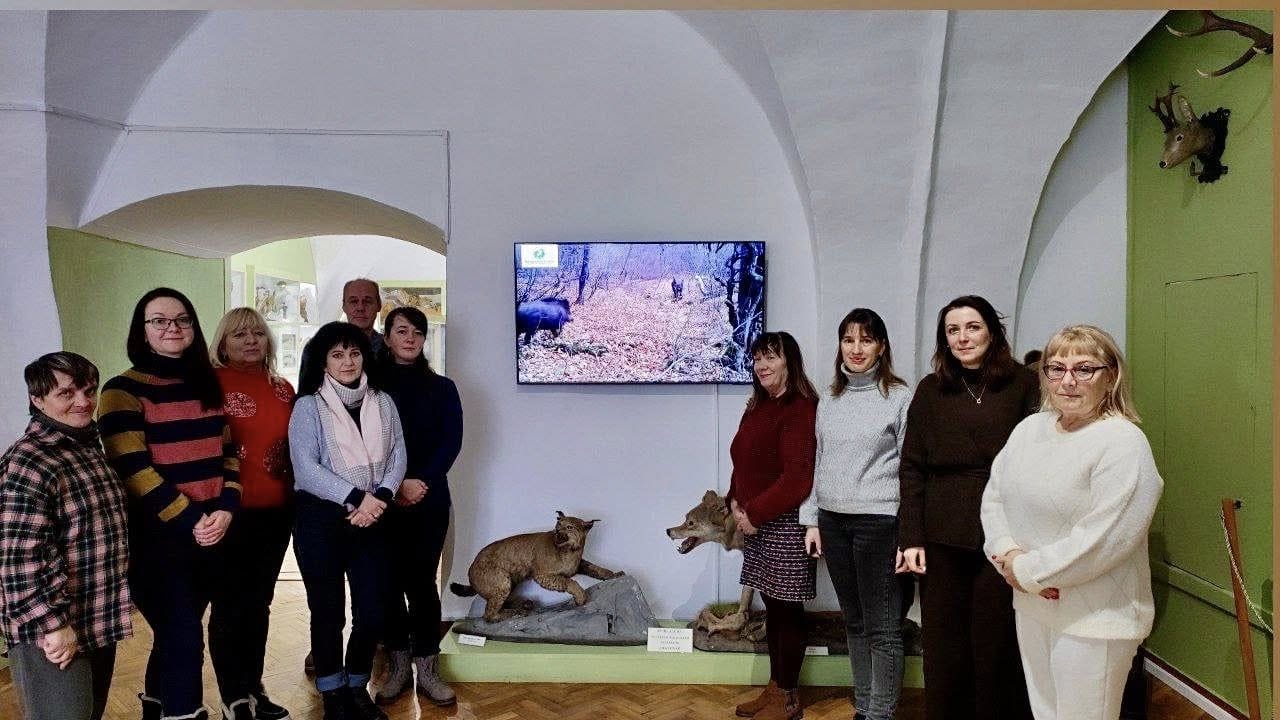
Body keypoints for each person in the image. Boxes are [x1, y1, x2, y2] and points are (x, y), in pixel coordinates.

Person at [981, 325, 1162, 720]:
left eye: (1084, 369)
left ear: (1110, 376)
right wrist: (1007, 555)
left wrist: (1029, 570)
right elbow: (995, 498)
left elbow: (1105, 538)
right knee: (1044, 713)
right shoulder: (1030, 429)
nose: (1068, 381)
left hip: (1095, 617)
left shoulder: (1123, 442)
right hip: (1032, 604)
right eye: (1056, 368)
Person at [99, 288, 241, 720]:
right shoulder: (120, 391)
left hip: (212, 532)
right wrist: (193, 519)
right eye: (159, 321)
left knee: (174, 636)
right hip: (158, 541)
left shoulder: (205, 383)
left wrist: (226, 508)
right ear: (142, 331)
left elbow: (228, 454)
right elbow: (134, 469)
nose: (172, 328)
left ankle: (156, 710)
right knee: (183, 637)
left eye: (181, 319)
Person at [897, 294, 1038, 720]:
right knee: (944, 646)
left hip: (1005, 534)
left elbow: (1039, 460)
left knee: (997, 645)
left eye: (972, 327)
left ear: (992, 331)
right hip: (941, 534)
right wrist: (910, 537)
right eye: (952, 330)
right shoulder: (930, 389)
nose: (962, 337)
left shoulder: (1023, 384)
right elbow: (911, 468)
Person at [0, 352, 131, 720]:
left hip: (95, 617)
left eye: (89, 390)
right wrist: (54, 625)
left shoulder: (86, 446)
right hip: (51, 630)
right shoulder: (30, 462)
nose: (83, 402)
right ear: (37, 399)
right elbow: (18, 562)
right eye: (66, 393)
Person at [290, 321, 406, 720]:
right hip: (320, 521)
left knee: (372, 611)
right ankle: (333, 695)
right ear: (323, 361)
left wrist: (381, 498)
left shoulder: (383, 402)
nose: (347, 362)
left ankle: (357, 686)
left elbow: (398, 454)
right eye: (337, 354)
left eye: (354, 353)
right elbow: (306, 469)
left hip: (373, 518)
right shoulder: (308, 406)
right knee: (328, 613)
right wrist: (358, 498)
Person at [800, 309, 911, 720]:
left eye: (866, 340)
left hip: (879, 523)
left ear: (881, 346)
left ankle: (880, 713)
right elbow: (818, 461)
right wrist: (811, 519)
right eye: (849, 339)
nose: (857, 348)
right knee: (855, 622)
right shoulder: (830, 399)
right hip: (833, 521)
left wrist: (909, 534)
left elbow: (910, 468)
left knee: (883, 626)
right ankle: (864, 707)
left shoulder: (899, 396)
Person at [372, 307, 463, 706]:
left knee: (423, 584)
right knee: (388, 583)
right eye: (402, 331)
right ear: (387, 337)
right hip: (381, 498)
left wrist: (420, 481)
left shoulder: (442, 387)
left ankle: (427, 671)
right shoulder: (370, 386)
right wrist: (395, 485)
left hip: (429, 498)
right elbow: (364, 443)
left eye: (418, 332)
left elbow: (451, 441)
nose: (410, 338)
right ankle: (396, 669)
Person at [208, 307, 296, 720]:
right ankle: (233, 697)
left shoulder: (283, 388)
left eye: (258, 333)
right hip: (229, 513)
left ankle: (254, 686)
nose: (250, 340)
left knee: (259, 603)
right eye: (240, 334)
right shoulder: (209, 385)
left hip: (276, 512)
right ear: (223, 343)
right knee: (229, 605)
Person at [727, 331, 818, 720]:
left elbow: (798, 479)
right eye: (757, 358)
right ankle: (776, 688)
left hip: (786, 525)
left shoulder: (801, 408)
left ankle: (789, 699)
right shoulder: (757, 405)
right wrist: (734, 500)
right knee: (772, 608)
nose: (761, 365)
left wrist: (753, 514)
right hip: (756, 522)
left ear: (789, 362)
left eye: (771, 357)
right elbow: (742, 460)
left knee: (787, 611)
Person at [342, 278, 386, 357]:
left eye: (367, 301)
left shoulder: (392, 348)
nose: (360, 308)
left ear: (379, 305)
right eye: (353, 301)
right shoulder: (325, 347)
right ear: (344, 306)